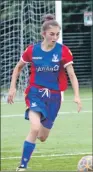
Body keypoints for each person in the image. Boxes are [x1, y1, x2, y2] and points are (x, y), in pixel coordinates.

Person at [7, 14, 82, 171]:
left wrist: (76, 96)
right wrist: (12, 88)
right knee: (34, 128)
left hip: (54, 97)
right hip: (35, 93)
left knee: (42, 136)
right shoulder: (32, 50)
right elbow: (18, 67)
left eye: (57, 34)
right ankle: (22, 166)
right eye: (51, 34)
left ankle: (28, 155)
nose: (55, 37)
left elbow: (72, 75)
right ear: (43, 34)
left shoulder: (63, 51)